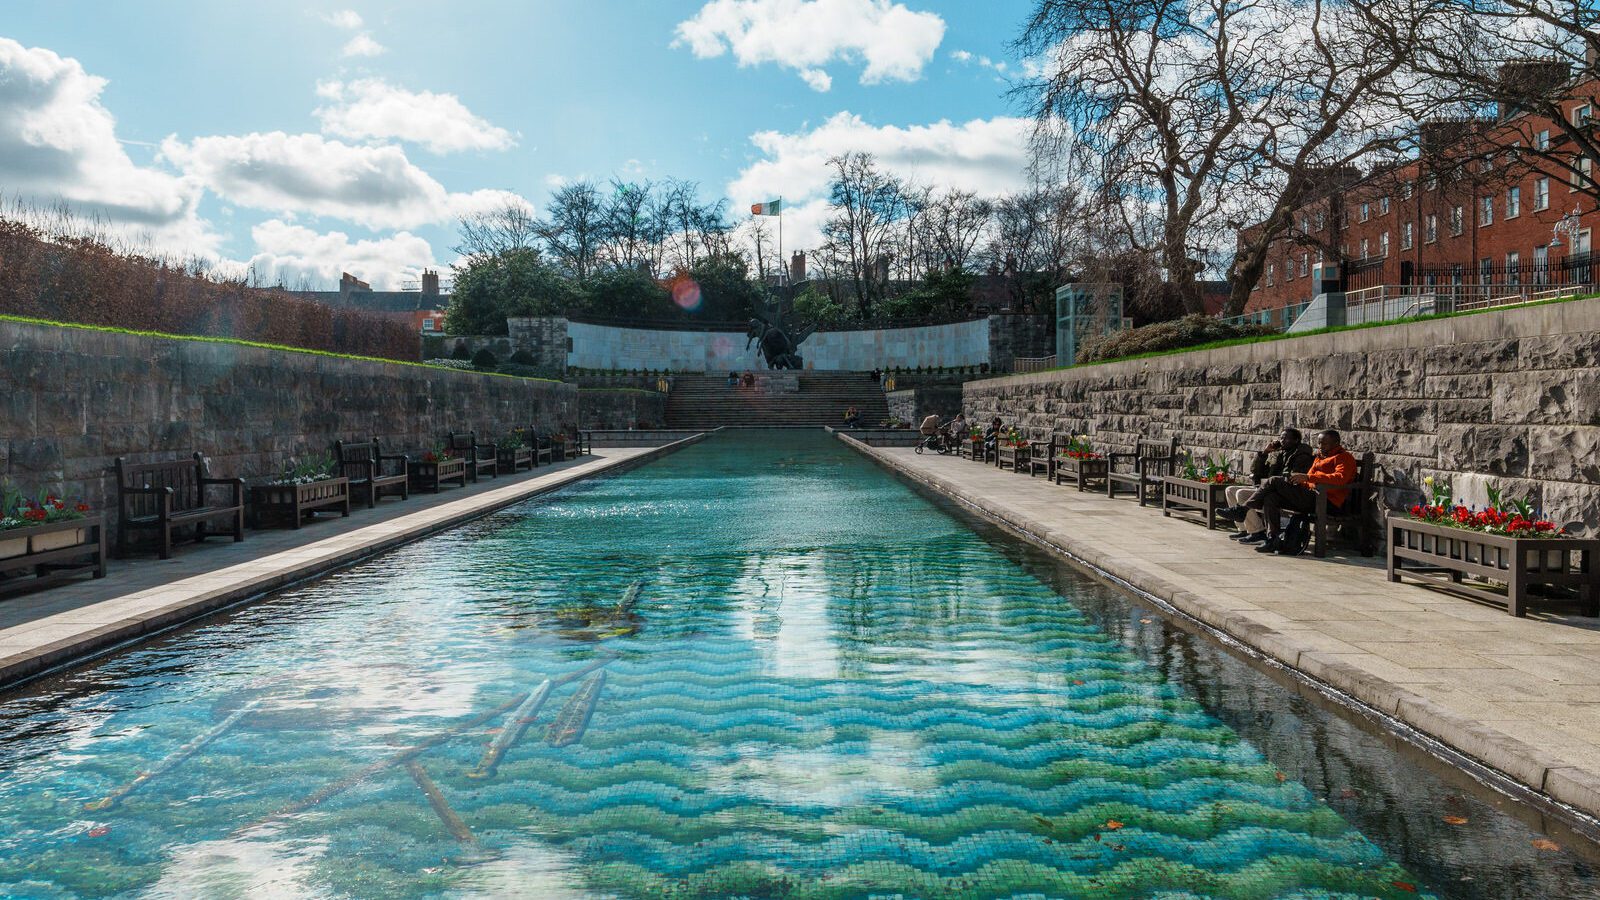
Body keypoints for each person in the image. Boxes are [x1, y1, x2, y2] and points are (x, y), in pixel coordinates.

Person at [1242, 429, 1357, 555]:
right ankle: (1272, 539)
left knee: (1274, 480)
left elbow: (1340, 478)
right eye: (1319, 443)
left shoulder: (1344, 457)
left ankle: (1243, 509)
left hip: (1328, 501)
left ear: (1336, 443)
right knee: (1271, 497)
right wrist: (1297, 481)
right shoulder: (1320, 457)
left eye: (1324, 443)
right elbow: (1308, 478)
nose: (1320, 446)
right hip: (1310, 496)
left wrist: (1307, 478)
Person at [1219, 427, 1314, 544]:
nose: (1282, 441)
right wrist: (1265, 453)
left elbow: (1292, 478)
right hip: (1266, 487)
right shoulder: (1280, 454)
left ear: (1296, 440)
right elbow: (1257, 471)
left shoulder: (1302, 456)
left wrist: (1272, 481)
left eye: (1286, 438)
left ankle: (1257, 532)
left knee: (1241, 493)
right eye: (1281, 438)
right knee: (1230, 489)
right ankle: (1244, 529)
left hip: (1285, 492)